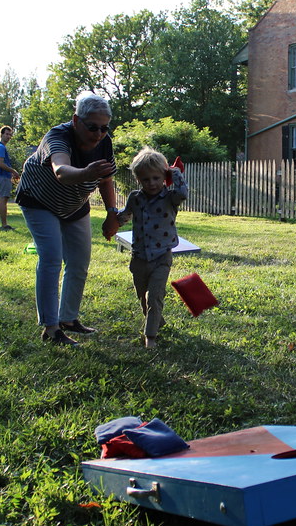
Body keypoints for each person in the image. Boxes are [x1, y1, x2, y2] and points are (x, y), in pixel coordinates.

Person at [15, 92, 119, 346]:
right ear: (76, 120)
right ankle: (51, 329)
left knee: (80, 260)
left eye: (104, 128)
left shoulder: (105, 143)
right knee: (51, 257)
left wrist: (111, 213)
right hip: (39, 200)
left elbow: (106, 180)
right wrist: (86, 172)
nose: (98, 134)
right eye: (92, 127)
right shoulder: (58, 136)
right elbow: (61, 171)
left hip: (75, 204)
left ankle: (68, 318)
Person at [115, 146, 188, 349]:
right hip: (139, 257)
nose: (152, 183)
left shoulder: (170, 198)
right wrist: (115, 218)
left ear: (163, 176)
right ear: (138, 179)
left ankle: (151, 338)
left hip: (161, 256)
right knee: (143, 296)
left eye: (156, 178)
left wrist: (175, 173)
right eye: (146, 179)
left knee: (155, 295)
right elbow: (125, 215)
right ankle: (158, 322)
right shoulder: (135, 198)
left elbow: (182, 193)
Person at [0, 125, 21, 230]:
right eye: (7, 134)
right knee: (3, 200)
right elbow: (0, 163)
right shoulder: (1, 147)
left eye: (10, 135)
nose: (9, 137)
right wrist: (13, 171)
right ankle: (4, 225)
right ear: (2, 134)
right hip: (2, 177)